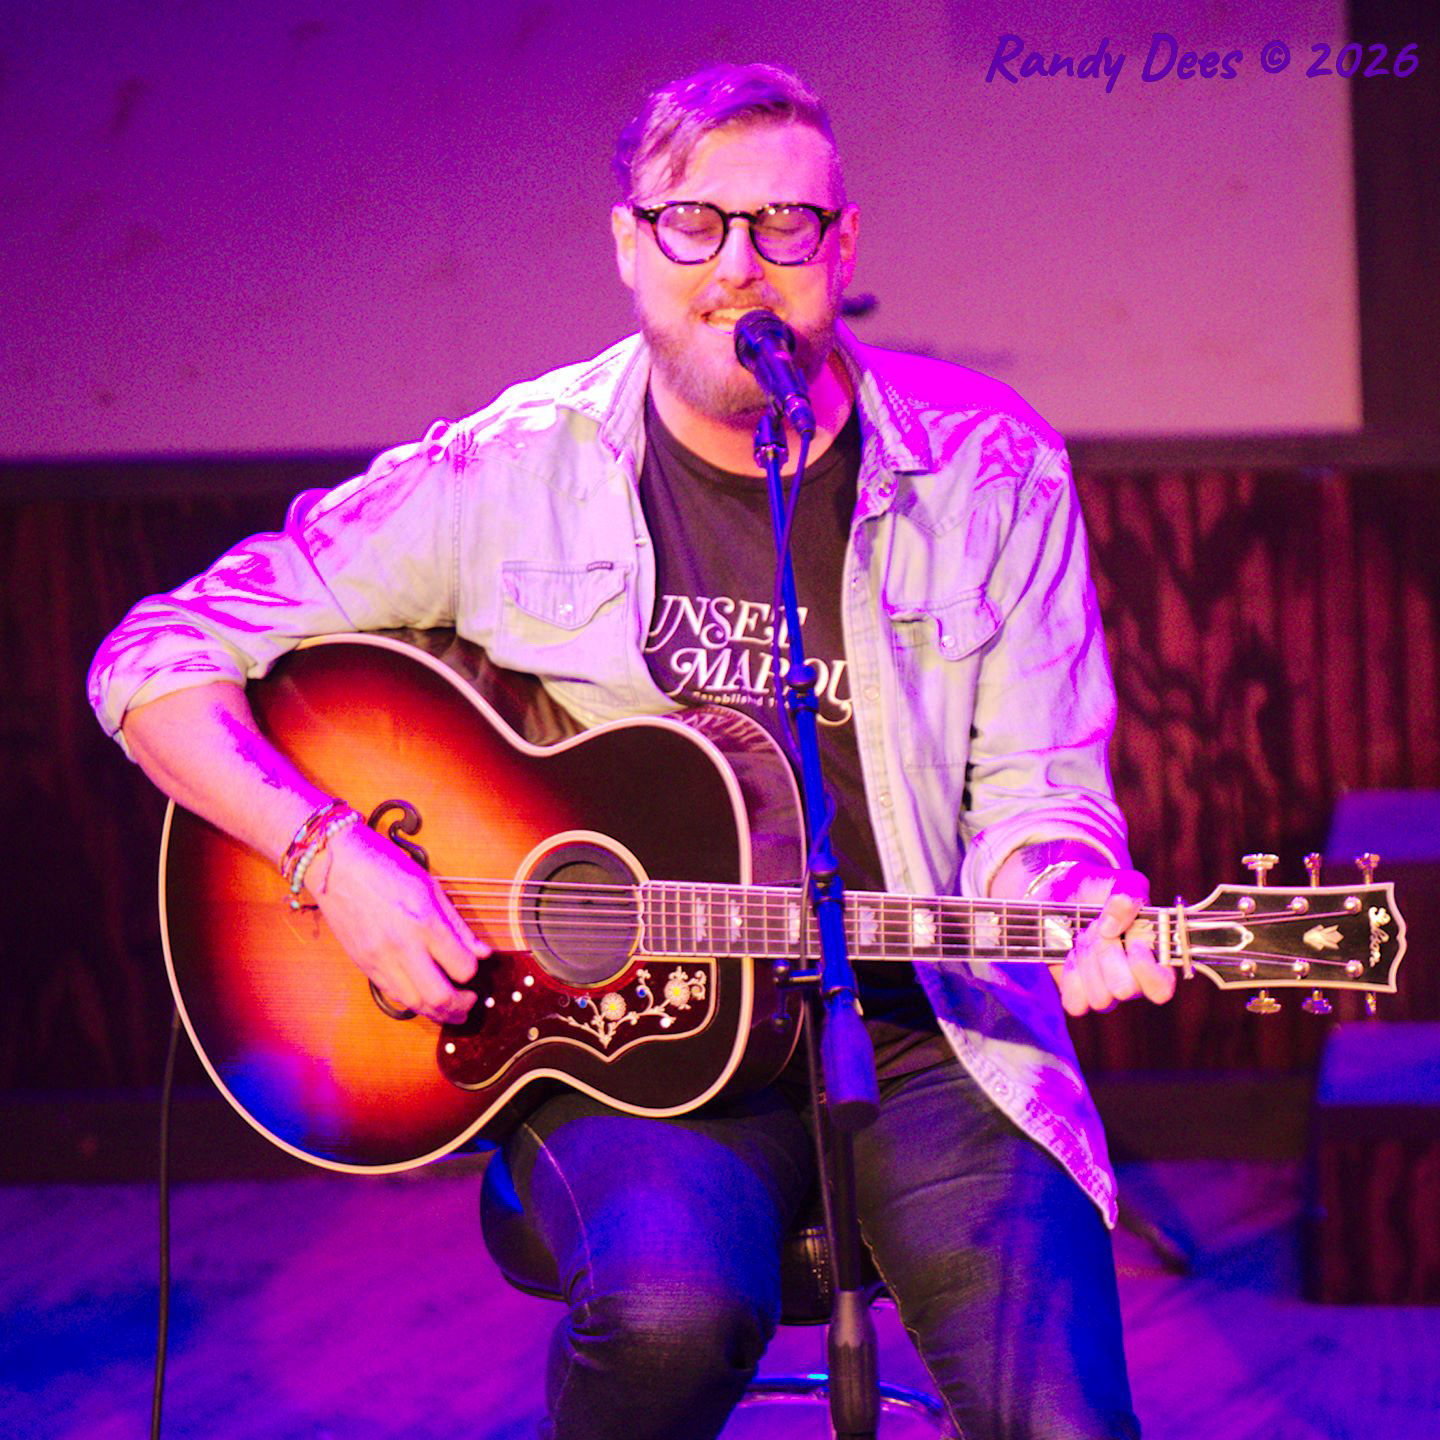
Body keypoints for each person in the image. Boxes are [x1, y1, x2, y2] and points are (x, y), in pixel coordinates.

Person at [90, 62, 1174, 1440]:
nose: (740, 269)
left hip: (926, 1034)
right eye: (693, 225)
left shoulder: (991, 473)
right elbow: (151, 660)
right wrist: (331, 853)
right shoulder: (509, 469)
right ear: (628, 243)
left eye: (785, 227)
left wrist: (1074, 899)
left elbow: (1041, 790)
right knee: (669, 1317)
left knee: (1065, 1423)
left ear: (842, 247)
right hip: (621, 1051)